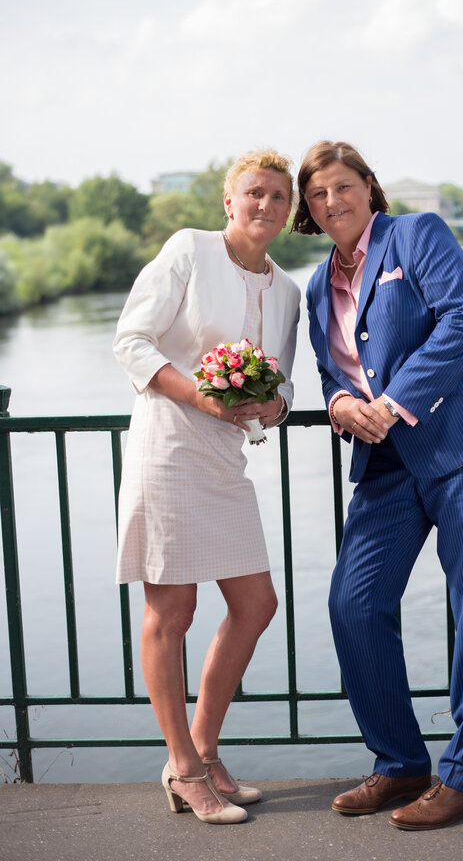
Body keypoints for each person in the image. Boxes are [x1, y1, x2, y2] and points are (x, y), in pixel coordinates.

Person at [295, 140, 463, 831]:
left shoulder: (416, 234)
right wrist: (344, 404)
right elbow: (332, 372)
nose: (332, 202)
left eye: (343, 187)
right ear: (307, 211)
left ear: (369, 189)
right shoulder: (318, 286)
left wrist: (393, 400)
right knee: (354, 602)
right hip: (386, 460)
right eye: (317, 195)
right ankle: (401, 762)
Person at [113, 149, 300, 825]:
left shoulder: (288, 292)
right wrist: (203, 395)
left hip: (227, 460)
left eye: (280, 197)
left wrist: (266, 407)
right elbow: (133, 341)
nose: (267, 206)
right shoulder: (188, 251)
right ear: (229, 201)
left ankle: (204, 747)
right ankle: (185, 769)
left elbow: (284, 389)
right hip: (168, 446)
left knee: (256, 604)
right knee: (173, 613)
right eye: (255, 193)